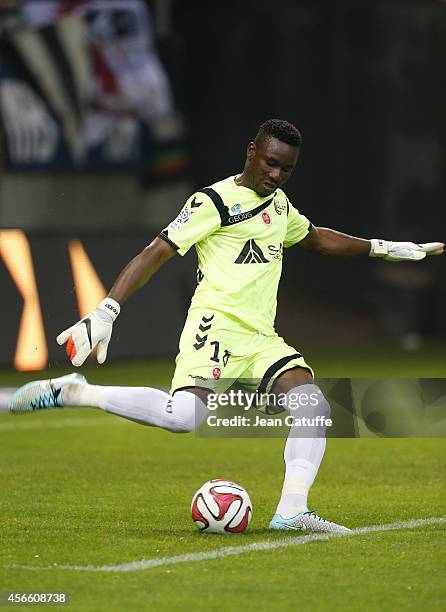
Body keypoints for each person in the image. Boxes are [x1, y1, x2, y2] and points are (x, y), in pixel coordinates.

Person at [8, 119, 443, 533]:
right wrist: (107, 311)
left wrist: (386, 249)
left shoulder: (279, 205)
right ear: (251, 152)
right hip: (213, 331)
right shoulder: (211, 202)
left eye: (286, 168)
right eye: (270, 162)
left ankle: (292, 511)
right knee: (183, 417)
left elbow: (316, 238)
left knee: (313, 407)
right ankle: (75, 391)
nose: (276, 174)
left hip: (260, 338)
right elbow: (154, 253)